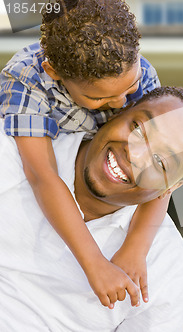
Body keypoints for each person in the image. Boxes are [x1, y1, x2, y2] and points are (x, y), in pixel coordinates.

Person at [0, 86, 183, 331]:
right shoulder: (13, 150)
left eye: (160, 162)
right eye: (138, 129)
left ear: (171, 188)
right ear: (118, 112)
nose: (135, 155)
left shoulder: (165, 263)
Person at [0, 0, 172, 308]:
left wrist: (136, 247)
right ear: (54, 71)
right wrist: (94, 263)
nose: (121, 103)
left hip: (107, 188)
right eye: (98, 97)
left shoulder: (142, 73)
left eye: (128, 88)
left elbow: (164, 175)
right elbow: (42, 175)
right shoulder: (26, 78)